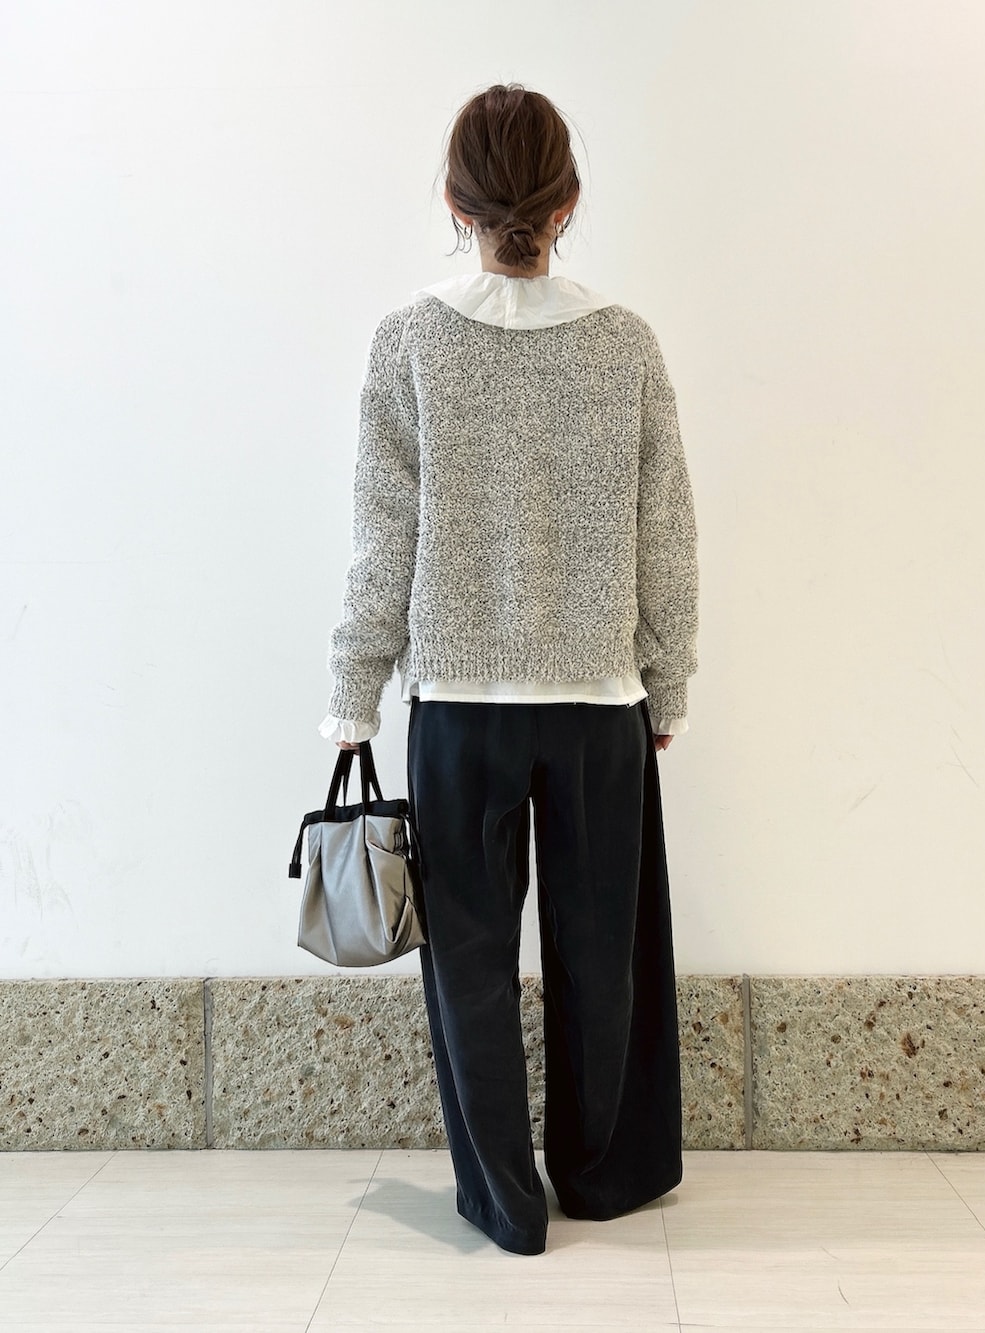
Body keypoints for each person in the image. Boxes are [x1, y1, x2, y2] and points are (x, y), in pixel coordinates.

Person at [319, 82, 698, 1255]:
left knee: (472, 964)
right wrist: (668, 679)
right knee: (605, 956)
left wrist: (352, 693)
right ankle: (601, 1173)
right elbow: (666, 531)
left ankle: (502, 1202)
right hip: (596, 706)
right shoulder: (624, 341)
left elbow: (384, 535)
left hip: (459, 710)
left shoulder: (408, 342)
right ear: (567, 201)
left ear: (454, 201)